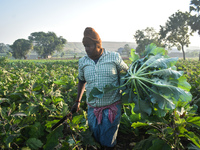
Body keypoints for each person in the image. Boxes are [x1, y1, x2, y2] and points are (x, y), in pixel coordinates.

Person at [72, 27, 128, 149]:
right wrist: (77, 101)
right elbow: (82, 81)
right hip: (92, 108)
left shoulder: (114, 57)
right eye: (85, 46)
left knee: (107, 143)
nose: (86, 49)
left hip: (111, 107)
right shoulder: (83, 62)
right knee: (95, 140)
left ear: (98, 44)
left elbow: (127, 74)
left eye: (89, 45)